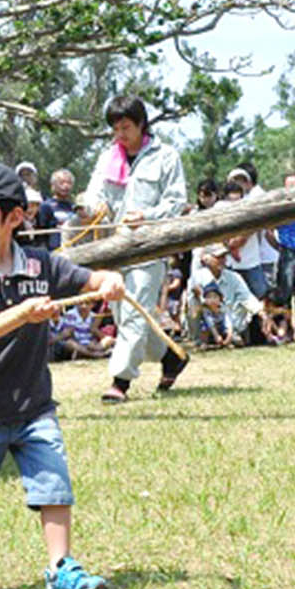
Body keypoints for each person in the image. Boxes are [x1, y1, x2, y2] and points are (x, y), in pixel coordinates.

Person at [0, 161, 123, 589]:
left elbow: (88, 279)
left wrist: (107, 280)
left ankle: (61, 570)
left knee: (54, 486)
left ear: (14, 217)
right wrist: (19, 314)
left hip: (35, 407)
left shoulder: (42, 264)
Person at [79, 95, 188, 402]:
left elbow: (176, 200)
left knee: (133, 312)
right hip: (112, 248)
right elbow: (94, 194)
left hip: (149, 248)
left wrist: (148, 215)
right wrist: (88, 208)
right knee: (125, 311)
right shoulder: (107, 158)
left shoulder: (166, 155)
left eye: (126, 127)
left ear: (141, 124)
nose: (120, 134)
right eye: (115, 128)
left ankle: (120, 381)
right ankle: (170, 357)